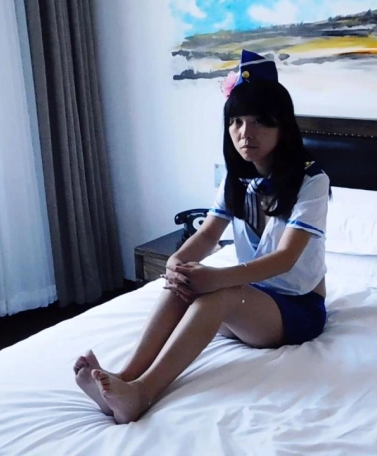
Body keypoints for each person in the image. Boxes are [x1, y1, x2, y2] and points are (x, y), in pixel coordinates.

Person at [73, 50, 330, 424]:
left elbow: (286, 257)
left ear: (283, 127)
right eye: (236, 122)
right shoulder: (235, 179)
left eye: (260, 122)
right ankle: (125, 377)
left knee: (219, 293)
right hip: (250, 302)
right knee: (184, 282)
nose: (245, 133)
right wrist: (177, 263)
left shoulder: (311, 181)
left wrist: (219, 277)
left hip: (296, 308)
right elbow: (209, 232)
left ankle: (143, 393)